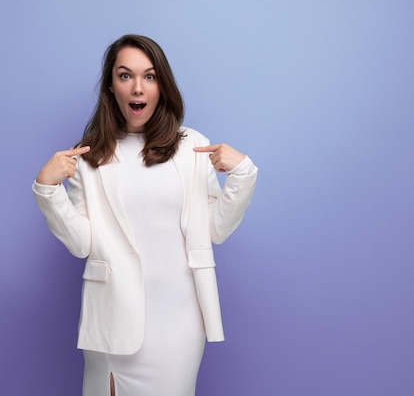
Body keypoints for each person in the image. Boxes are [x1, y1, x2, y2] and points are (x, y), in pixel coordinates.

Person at [33, 34, 258, 396]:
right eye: (125, 76)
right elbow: (80, 244)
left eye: (149, 77)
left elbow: (215, 229)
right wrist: (47, 191)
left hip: (179, 319)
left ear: (161, 85)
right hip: (112, 317)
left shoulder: (191, 147)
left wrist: (243, 173)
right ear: (111, 86)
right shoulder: (89, 157)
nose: (138, 88)